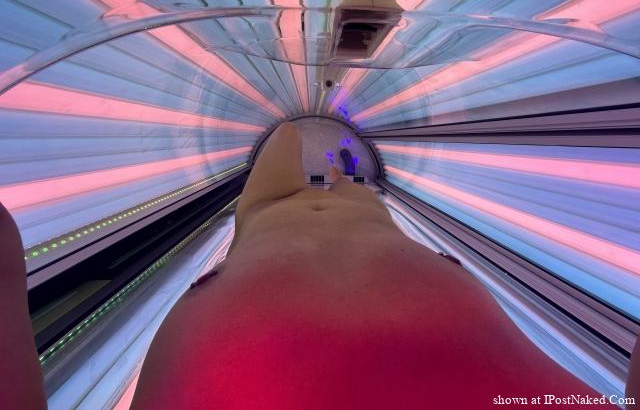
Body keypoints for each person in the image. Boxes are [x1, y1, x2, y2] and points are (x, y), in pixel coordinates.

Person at [0, 122, 637, 409]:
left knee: (287, 154)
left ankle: (329, 156)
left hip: (267, 227)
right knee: (354, 192)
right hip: (377, 238)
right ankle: (341, 167)